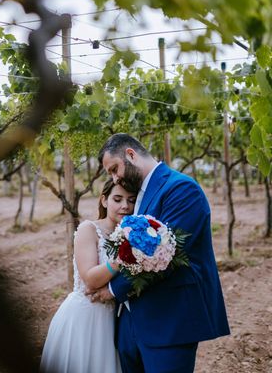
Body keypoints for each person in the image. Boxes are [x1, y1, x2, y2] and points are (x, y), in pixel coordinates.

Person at [90, 133, 230, 373]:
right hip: (129, 321)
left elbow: (167, 256)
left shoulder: (182, 189)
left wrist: (113, 289)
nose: (115, 178)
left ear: (131, 155)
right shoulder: (134, 196)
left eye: (114, 169)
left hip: (170, 320)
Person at [40, 178, 137, 373]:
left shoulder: (132, 233)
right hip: (84, 317)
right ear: (104, 201)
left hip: (111, 320)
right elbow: (91, 280)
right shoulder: (89, 229)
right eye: (117, 199)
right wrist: (123, 258)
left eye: (131, 200)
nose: (125, 206)